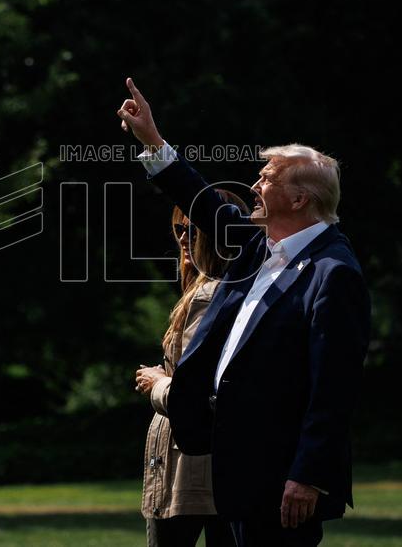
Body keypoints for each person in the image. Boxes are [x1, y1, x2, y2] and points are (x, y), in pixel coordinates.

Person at [117, 78, 371, 547]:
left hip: (282, 483)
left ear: (299, 200)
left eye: (267, 178)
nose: (253, 185)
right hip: (234, 473)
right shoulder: (258, 246)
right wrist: (152, 140)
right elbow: (202, 201)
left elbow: (334, 389)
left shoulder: (333, 273)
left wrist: (308, 476)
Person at [136, 193, 246, 547]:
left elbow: (197, 393)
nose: (183, 238)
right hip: (213, 462)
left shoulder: (208, 296)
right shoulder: (236, 291)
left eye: (193, 230)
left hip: (189, 465)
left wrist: (157, 382)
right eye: (179, 228)